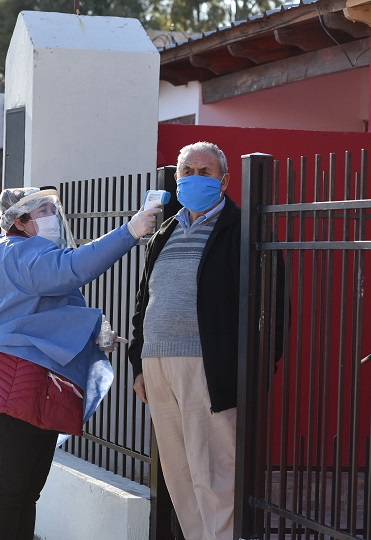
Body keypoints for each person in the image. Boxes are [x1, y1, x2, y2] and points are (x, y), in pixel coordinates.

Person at [0, 186, 161, 540]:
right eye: (42, 211)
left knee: (24, 491)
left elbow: (36, 311)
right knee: (12, 490)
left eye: (52, 208)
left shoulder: (3, 252)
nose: (52, 216)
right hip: (17, 382)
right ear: (20, 222)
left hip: (15, 380)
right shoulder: (23, 252)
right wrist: (129, 231)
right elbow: (72, 269)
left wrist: (94, 333)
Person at [128, 142, 284, 540]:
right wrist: (137, 364)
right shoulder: (163, 231)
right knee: (179, 477)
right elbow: (144, 300)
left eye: (205, 172)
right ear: (177, 178)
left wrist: (257, 368)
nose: (195, 179)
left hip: (207, 369)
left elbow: (272, 305)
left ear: (224, 180)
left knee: (214, 476)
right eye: (188, 172)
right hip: (157, 369)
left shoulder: (242, 230)